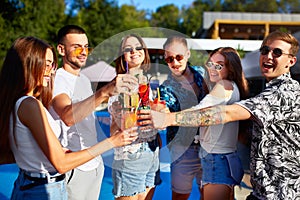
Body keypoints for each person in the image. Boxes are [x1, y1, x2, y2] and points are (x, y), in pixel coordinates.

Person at [150, 31, 300, 200]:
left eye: (277, 52)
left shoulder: (282, 92)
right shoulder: (266, 88)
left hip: (278, 192)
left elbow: (225, 113)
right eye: (265, 50)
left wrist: (169, 118)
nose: (268, 56)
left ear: (291, 61)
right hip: (260, 186)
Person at [0, 36, 138, 200]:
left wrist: (47, 153)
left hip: (33, 184)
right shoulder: (30, 105)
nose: (51, 71)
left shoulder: (21, 102)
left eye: (52, 65)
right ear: (29, 63)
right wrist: (113, 142)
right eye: (47, 64)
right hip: (42, 190)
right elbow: (62, 164)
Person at [49, 25, 138, 200]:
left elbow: (86, 117)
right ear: (61, 49)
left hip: (95, 164)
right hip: (75, 168)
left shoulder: (83, 79)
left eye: (86, 46)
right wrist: (105, 92)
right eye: (76, 47)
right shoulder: (57, 79)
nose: (83, 52)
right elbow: (67, 116)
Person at [188, 47, 249, 200]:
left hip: (217, 159)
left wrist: (165, 117)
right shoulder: (234, 87)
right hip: (225, 158)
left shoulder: (224, 86)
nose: (212, 69)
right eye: (210, 64)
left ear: (231, 67)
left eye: (219, 65)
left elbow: (198, 113)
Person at [108, 33, 160, 200]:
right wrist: (121, 112)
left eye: (138, 47)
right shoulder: (118, 83)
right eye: (128, 49)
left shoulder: (147, 82)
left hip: (152, 150)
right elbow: (115, 128)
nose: (134, 51)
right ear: (121, 55)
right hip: (130, 152)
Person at [157, 36, 208, 200]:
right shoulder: (166, 88)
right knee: (180, 195)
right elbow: (165, 114)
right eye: (169, 59)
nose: (175, 62)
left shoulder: (203, 73)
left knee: (208, 193)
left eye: (178, 57)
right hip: (182, 148)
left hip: (209, 145)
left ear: (187, 54)